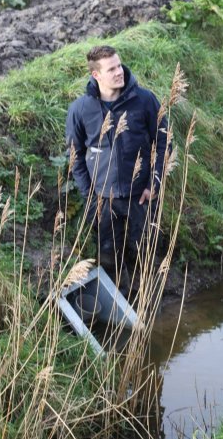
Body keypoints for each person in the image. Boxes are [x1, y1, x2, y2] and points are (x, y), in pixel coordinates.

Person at [65, 45, 168, 295]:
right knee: (108, 255)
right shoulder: (80, 109)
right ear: (96, 75)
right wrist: (90, 196)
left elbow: (163, 140)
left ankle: (149, 299)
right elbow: (75, 156)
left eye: (119, 66)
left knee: (144, 251)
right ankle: (118, 305)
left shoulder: (144, 100)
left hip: (139, 196)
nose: (119, 72)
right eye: (111, 69)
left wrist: (154, 183)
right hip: (102, 200)